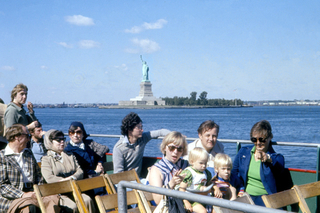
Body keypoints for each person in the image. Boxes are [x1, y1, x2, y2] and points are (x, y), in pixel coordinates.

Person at [0, 124, 59, 213]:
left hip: (33, 192)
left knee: (53, 201)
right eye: (27, 136)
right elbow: (2, 186)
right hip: (11, 197)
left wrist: (38, 191)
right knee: (30, 207)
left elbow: (38, 176)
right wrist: (23, 194)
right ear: (17, 137)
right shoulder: (2, 156)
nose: (29, 139)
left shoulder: (28, 153)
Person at [231, 120, 285, 206]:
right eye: (254, 140)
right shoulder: (244, 152)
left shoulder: (275, 157)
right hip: (246, 195)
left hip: (265, 198)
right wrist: (235, 190)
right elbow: (233, 173)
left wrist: (267, 158)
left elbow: (279, 163)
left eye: (262, 139)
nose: (258, 143)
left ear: (270, 137)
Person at [41, 130, 95, 213]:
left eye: (63, 139)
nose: (62, 142)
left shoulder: (70, 155)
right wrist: (64, 182)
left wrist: (72, 177)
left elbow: (80, 171)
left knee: (87, 200)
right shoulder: (46, 159)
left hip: (73, 189)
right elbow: (49, 177)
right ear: (50, 142)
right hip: (58, 193)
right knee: (72, 206)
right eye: (58, 140)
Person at [113, 112, 171, 177]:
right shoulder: (119, 148)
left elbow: (160, 132)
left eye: (141, 127)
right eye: (138, 128)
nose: (142, 130)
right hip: (125, 183)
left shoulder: (142, 139)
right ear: (129, 130)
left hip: (138, 180)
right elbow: (118, 175)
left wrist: (176, 136)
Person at [148, 131, 189, 205]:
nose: (175, 152)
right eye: (172, 148)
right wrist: (171, 184)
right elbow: (158, 199)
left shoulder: (186, 164)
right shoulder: (156, 170)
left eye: (179, 149)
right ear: (164, 148)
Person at [176, 147, 213, 213]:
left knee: (217, 209)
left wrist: (213, 188)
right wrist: (186, 201)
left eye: (205, 163)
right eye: (201, 163)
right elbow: (181, 189)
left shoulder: (206, 173)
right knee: (203, 211)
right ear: (192, 162)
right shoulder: (189, 173)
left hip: (204, 197)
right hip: (191, 200)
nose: (204, 166)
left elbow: (209, 184)